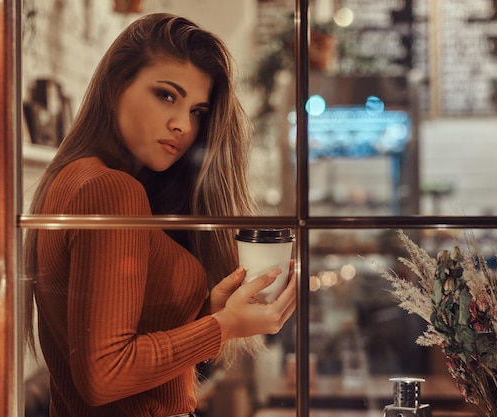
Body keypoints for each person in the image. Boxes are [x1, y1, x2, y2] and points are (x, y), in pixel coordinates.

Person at [23, 13, 296, 417]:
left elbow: (117, 331)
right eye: (167, 95)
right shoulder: (110, 189)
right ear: (117, 86)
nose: (182, 125)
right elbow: (104, 375)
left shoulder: (71, 178)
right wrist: (224, 327)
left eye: (197, 111)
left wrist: (212, 313)